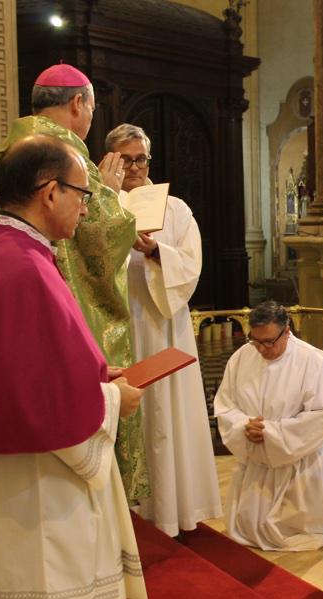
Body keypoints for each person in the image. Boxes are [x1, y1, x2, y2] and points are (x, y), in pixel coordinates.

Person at [0, 135, 146, 599]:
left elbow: (24, 369)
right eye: (83, 194)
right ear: (51, 192)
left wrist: (94, 376)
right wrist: (114, 399)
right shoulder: (26, 269)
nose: (86, 209)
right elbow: (50, 406)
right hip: (35, 491)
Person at [0, 63, 149, 504]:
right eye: (92, 108)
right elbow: (102, 234)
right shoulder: (64, 152)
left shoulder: (11, 147)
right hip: (58, 304)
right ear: (78, 103)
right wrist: (108, 193)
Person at [106, 124, 222, 536]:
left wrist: (156, 251)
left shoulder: (174, 209)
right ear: (111, 160)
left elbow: (190, 265)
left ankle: (171, 511)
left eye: (141, 158)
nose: (135, 167)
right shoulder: (99, 207)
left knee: (166, 414)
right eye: (126, 159)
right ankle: (128, 513)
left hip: (162, 322)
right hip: (120, 324)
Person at [214, 301, 323, 550]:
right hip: (258, 459)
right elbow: (226, 404)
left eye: (269, 341)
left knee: (303, 526)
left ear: (287, 331)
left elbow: (322, 415)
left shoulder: (312, 360)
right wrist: (244, 426)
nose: (262, 349)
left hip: (302, 462)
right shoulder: (242, 357)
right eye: (256, 340)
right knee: (250, 523)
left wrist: (271, 432)